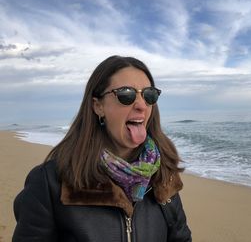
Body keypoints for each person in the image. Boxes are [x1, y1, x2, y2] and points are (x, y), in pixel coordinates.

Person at [13, 55, 192, 242]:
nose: (141, 106)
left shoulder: (163, 174)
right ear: (98, 106)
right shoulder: (50, 183)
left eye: (149, 95)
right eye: (126, 94)